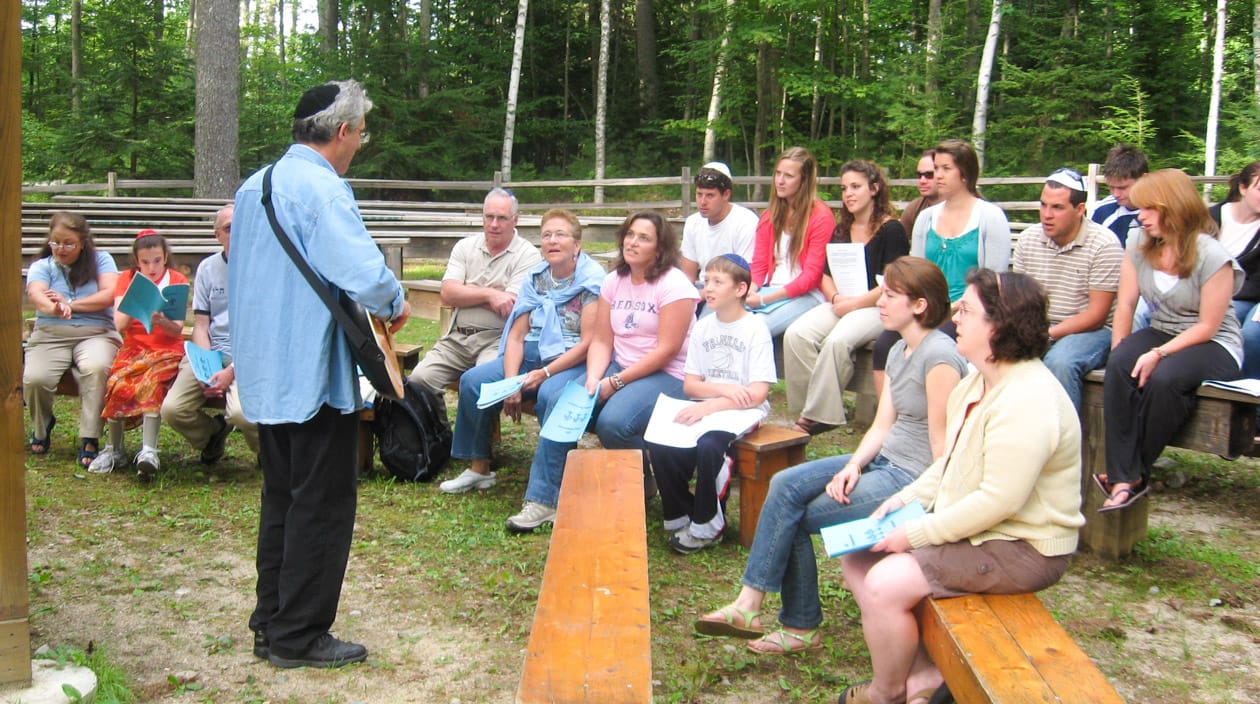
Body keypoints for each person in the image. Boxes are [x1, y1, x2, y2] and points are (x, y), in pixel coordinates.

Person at [694, 256, 966, 654]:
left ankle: (798, 624)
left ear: (920, 305)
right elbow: (882, 425)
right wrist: (854, 464)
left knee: (798, 516)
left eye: (890, 296)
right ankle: (749, 603)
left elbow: (944, 449)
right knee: (785, 484)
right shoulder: (899, 350)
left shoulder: (939, 358)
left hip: (911, 477)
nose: (880, 303)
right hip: (883, 460)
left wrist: (922, 501)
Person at [836, 269, 1083, 704]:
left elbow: (1000, 501)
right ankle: (923, 675)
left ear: (1000, 324)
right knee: (858, 560)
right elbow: (949, 465)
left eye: (966, 310)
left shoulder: (1028, 398)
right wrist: (904, 500)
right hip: (985, 530)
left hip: (1023, 546)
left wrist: (916, 533)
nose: (955, 316)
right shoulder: (976, 382)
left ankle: (886, 693)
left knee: (884, 583)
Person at [230, 79, 410, 668]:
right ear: (342, 132)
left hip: (266, 370)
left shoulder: (256, 185)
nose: (361, 142)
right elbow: (363, 272)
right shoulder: (322, 190)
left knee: (282, 496)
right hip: (310, 373)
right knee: (323, 503)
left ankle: (270, 623)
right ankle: (299, 635)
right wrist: (393, 301)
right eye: (361, 132)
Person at [506, 211, 699, 533]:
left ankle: (644, 475)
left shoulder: (674, 284)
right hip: (618, 364)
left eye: (644, 238)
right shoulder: (614, 281)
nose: (633, 242)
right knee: (566, 401)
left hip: (670, 373)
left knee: (615, 423)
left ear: (660, 247)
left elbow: (666, 349)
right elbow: (602, 340)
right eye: (630, 234)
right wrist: (594, 378)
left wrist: (616, 381)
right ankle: (543, 500)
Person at [1099, 169, 1242, 511]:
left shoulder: (1211, 256)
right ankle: (1122, 474)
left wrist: (1157, 353)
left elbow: (1208, 325)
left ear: (1173, 207)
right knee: (1118, 364)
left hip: (1215, 342)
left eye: (1149, 209)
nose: (1141, 216)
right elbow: (1126, 304)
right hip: (1164, 328)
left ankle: (1133, 473)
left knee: (1165, 378)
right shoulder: (1137, 243)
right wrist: (1122, 347)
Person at [442, 209, 604, 494]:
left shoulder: (591, 280)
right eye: (546, 235)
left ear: (577, 244)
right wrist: (510, 382)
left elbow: (588, 344)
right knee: (473, 381)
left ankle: (557, 476)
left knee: (547, 394)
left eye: (560, 235)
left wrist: (543, 373)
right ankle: (479, 468)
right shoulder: (536, 277)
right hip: (532, 351)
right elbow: (516, 337)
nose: (552, 241)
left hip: (570, 359)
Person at [644, 254, 776, 554]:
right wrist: (722, 391)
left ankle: (708, 525)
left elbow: (756, 394)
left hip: (742, 412)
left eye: (718, 282)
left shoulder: (755, 329)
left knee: (710, 447)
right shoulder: (703, 327)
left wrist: (712, 405)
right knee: (662, 438)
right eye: (706, 281)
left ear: (741, 289)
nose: (708, 288)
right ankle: (679, 512)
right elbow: (691, 384)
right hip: (708, 403)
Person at [870, 139, 1010, 393]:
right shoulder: (926, 218)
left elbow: (993, 282)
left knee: (934, 344)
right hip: (926, 308)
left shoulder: (990, 216)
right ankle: (891, 418)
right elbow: (915, 274)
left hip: (968, 312)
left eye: (947, 169)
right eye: (936, 168)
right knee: (884, 344)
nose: (938, 175)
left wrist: (954, 308)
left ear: (965, 173)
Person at [784, 160, 909, 435]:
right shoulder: (842, 229)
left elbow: (893, 281)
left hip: (878, 305)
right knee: (796, 335)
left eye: (855, 187)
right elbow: (826, 274)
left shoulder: (892, 230)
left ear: (874, 189)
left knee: (837, 341)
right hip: (841, 301)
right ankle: (811, 410)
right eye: (843, 188)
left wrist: (853, 304)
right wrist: (836, 297)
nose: (848, 194)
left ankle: (817, 416)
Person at [408, 188, 541, 395]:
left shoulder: (528, 255)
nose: (494, 224)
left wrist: (466, 293)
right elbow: (448, 294)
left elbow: (510, 307)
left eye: (502, 218)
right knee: (418, 380)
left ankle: (476, 429)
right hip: (456, 339)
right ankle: (438, 427)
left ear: (516, 219)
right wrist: (492, 294)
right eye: (489, 217)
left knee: (479, 384)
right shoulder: (465, 246)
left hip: (497, 340)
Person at [1013, 168, 1123, 411]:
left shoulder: (1104, 244)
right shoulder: (1029, 239)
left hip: (1091, 330)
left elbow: (1097, 315)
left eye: (1057, 208)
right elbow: (1018, 300)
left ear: (1080, 209)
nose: (1046, 215)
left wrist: (1049, 334)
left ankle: (1065, 443)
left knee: (1061, 362)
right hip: (1039, 323)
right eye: (1043, 205)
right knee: (999, 352)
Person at [160, 204, 260, 466]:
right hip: (213, 349)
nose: (236, 233)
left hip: (251, 355)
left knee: (242, 414)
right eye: (229, 228)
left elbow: (265, 334)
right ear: (218, 235)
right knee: (173, 409)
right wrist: (207, 368)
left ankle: (268, 454)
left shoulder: (263, 267)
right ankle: (212, 436)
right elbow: (201, 324)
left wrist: (231, 371)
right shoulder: (207, 268)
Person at [23, 212, 122, 468]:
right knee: (36, 378)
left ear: (82, 243)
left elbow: (110, 294)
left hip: (96, 332)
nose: (61, 249)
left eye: (68, 243)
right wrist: (54, 309)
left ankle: (90, 436)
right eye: (56, 242)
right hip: (51, 334)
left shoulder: (102, 260)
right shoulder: (43, 265)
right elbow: (36, 294)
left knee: (97, 368)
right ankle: (42, 427)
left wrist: (70, 304)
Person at [87, 230, 188, 479]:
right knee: (117, 382)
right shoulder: (127, 280)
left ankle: (149, 450)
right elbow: (119, 325)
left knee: (152, 383)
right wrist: (139, 302)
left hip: (166, 349)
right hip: (135, 348)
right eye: (145, 262)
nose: (151, 267)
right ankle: (116, 449)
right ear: (136, 261)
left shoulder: (176, 279)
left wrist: (161, 320)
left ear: (165, 257)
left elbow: (177, 328)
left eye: (156, 260)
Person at [746, 146, 836, 336]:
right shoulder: (770, 216)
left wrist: (766, 299)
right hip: (770, 290)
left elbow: (811, 276)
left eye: (788, 176)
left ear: (804, 181)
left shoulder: (821, 217)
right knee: (726, 320)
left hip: (807, 294)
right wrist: (750, 291)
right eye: (778, 173)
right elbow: (759, 265)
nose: (780, 181)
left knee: (755, 328)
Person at [1208, 161, 1260, 378]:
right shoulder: (1211, 217)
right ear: (1243, 188)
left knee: (1249, 334)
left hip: (1245, 297)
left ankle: (1245, 396)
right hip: (1201, 292)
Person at [679, 162, 759, 288]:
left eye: (710, 195)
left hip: (733, 291)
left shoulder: (745, 222)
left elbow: (745, 275)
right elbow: (687, 277)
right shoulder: (692, 223)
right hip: (701, 287)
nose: (703, 202)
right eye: (699, 194)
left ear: (726, 194)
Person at [1091, 144, 1149, 246]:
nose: (1115, 194)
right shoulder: (1103, 211)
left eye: (1122, 188)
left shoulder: (1161, 211)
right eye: (1111, 187)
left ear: (1143, 180)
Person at [898, 150, 940, 235]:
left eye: (929, 175)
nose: (922, 180)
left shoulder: (966, 208)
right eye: (919, 175)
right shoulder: (914, 209)